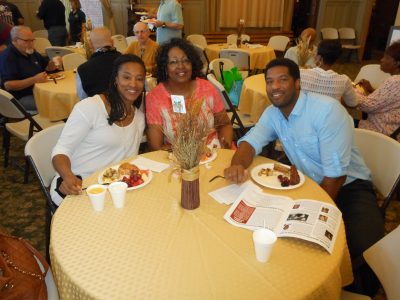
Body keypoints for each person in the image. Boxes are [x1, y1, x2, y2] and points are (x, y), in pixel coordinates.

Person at [224, 58, 384, 297]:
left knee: (364, 249)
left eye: (283, 79)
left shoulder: (326, 111)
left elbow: (335, 175)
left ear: (298, 84)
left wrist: (314, 213)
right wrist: (237, 164)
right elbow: (251, 141)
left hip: (350, 187)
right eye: (270, 81)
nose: (275, 86)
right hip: (305, 184)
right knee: (280, 240)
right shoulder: (273, 113)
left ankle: (355, 290)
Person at [51, 54, 146, 206]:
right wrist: (68, 177)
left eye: (139, 78)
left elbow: (127, 162)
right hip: (77, 187)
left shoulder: (139, 118)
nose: (133, 84)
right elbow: (61, 150)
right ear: (115, 79)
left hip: (112, 189)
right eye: (126, 77)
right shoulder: (90, 107)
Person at [146, 38, 233, 151]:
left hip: (213, 152)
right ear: (165, 67)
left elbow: (224, 125)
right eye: (173, 62)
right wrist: (191, 155)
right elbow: (156, 147)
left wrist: (224, 148)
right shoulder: (155, 98)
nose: (181, 66)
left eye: (186, 61)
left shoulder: (206, 88)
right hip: (175, 158)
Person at [0, 26, 57, 110]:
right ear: (15, 41)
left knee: (61, 98)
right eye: (27, 41)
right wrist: (34, 79)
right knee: (54, 103)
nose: (31, 44)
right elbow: (8, 85)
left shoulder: (30, 51)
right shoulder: (8, 57)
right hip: (21, 97)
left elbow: (47, 66)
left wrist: (54, 63)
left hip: (41, 90)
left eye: (32, 40)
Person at [356, 41, 400, 140]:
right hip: (392, 130)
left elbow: (367, 106)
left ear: (397, 63)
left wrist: (352, 91)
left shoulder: (394, 81)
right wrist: (371, 90)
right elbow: (391, 101)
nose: (381, 60)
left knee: (339, 123)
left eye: (386, 57)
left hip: (379, 131)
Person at [300, 39, 358, 107]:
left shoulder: (301, 73)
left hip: (304, 116)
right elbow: (353, 103)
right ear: (336, 58)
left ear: (319, 57)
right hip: (329, 116)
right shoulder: (344, 80)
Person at [76, 27, 121, 100]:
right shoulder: (130, 62)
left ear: (90, 44)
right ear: (112, 42)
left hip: (98, 110)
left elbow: (83, 99)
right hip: (129, 109)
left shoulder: (82, 70)